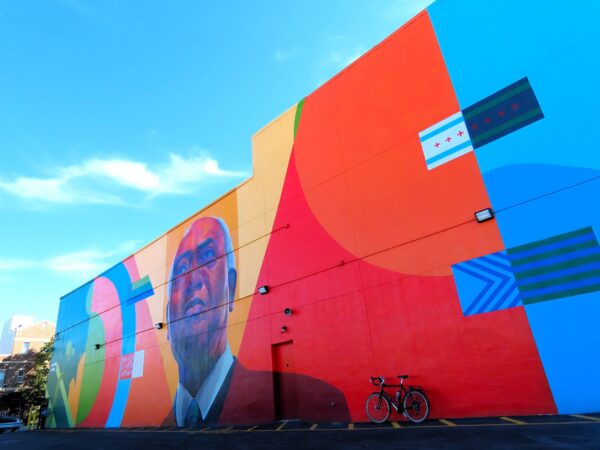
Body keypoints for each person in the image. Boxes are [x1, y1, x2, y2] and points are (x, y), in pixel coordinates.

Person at [167, 216, 237, 427]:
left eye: (208, 256)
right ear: (168, 317)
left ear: (231, 288)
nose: (193, 278)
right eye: (181, 269)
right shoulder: (161, 425)